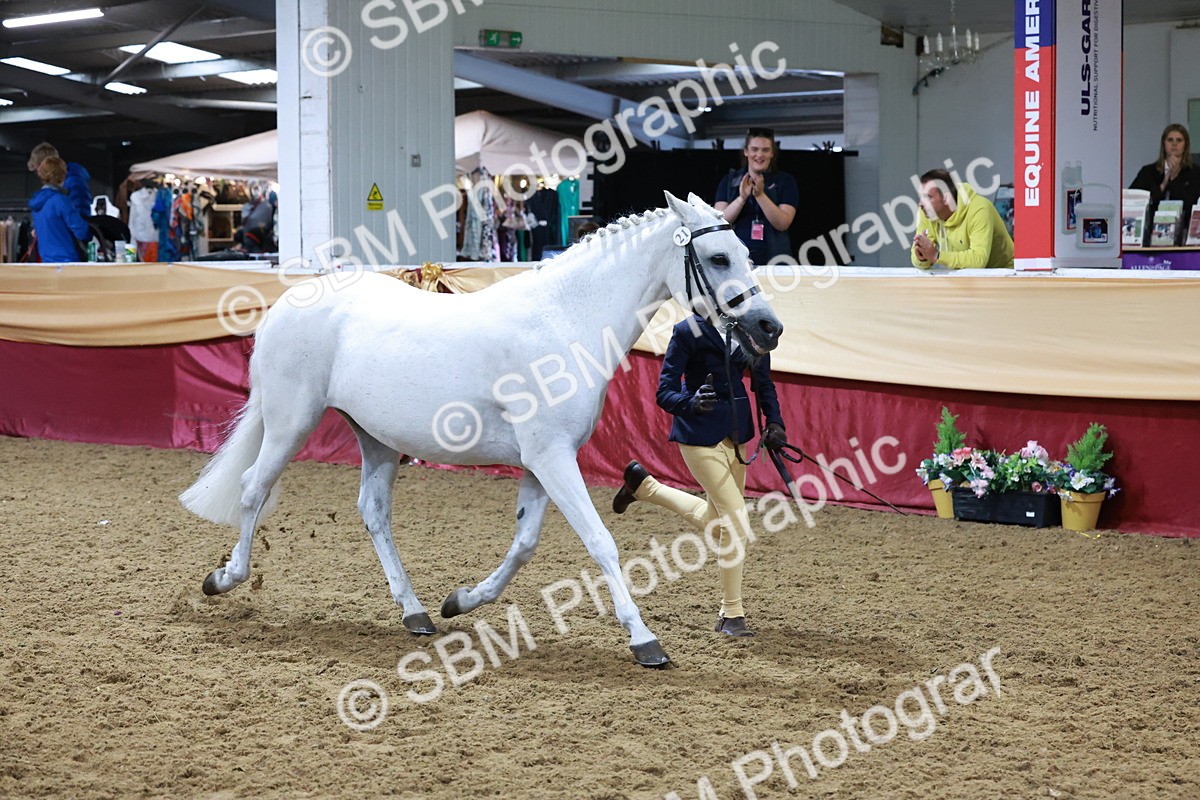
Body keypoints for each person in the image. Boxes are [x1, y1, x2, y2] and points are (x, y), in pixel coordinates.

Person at [612, 315, 787, 638]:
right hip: (697, 434)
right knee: (737, 524)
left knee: (717, 520)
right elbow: (664, 391)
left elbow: (763, 384)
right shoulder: (687, 331)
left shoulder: (752, 328)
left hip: (737, 436)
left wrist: (775, 423)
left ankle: (645, 487)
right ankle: (731, 614)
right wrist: (690, 402)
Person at [714, 128, 798, 265]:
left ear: (772, 153)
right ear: (746, 152)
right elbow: (719, 221)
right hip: (737, 261)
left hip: (776, 260)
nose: (759, 155)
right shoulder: (729, 181)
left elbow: (783, 223)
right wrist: (741, 198)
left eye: (765, 150)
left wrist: (760, 195)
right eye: (754, 149)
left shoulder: (785, 181)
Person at [911, 168, 1014, 269]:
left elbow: (978, 260)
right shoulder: (927, 213)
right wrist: (922, 256)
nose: (920, 204)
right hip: (964, 276)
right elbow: (917, 260)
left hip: (1006, 275)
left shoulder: (980, 209)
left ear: (946, 198)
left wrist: (936, 255)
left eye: (928, 197)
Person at [1129, 123, 1200, 244]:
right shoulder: (1148, 172)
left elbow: (1190, 203)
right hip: (1149, 235)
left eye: (1179, 140)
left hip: (1185, 236)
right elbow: (1134, 202)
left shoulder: (1196, 173)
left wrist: (1175, 178)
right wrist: (1165, 181)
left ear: (1185, 145)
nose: (1174, 144)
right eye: (1170, 140)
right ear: (1164, 144)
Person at [29, 156, 91, 263]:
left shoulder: (36, 203)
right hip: (66, 261)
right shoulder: (61, 201)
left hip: (46, 260)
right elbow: (81, 231)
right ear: (62, 175)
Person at [27, 142, 92, 222]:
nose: (39, 175)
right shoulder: (58, 184)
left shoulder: (73, 183)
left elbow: (80, 217)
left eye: (39, 170)